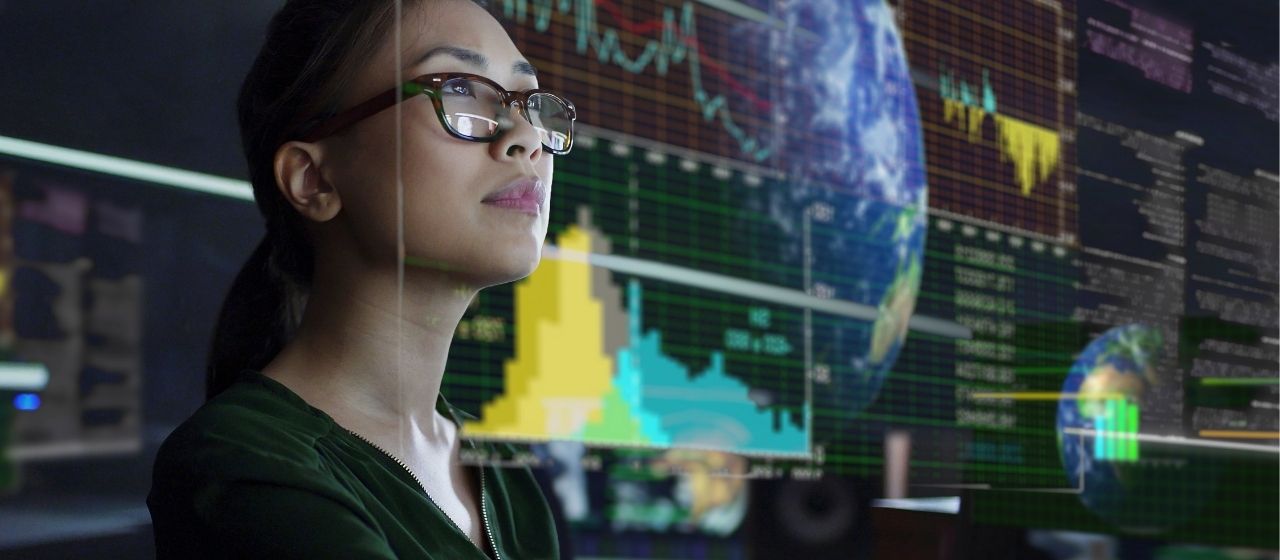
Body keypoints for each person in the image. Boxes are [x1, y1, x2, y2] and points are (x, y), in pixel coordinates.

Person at [147, 0, 574, 557]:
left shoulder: (502, 471)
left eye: (529, 103)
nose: (526, 139)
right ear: (313, 178)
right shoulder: (245, 463)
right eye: (461, 93)